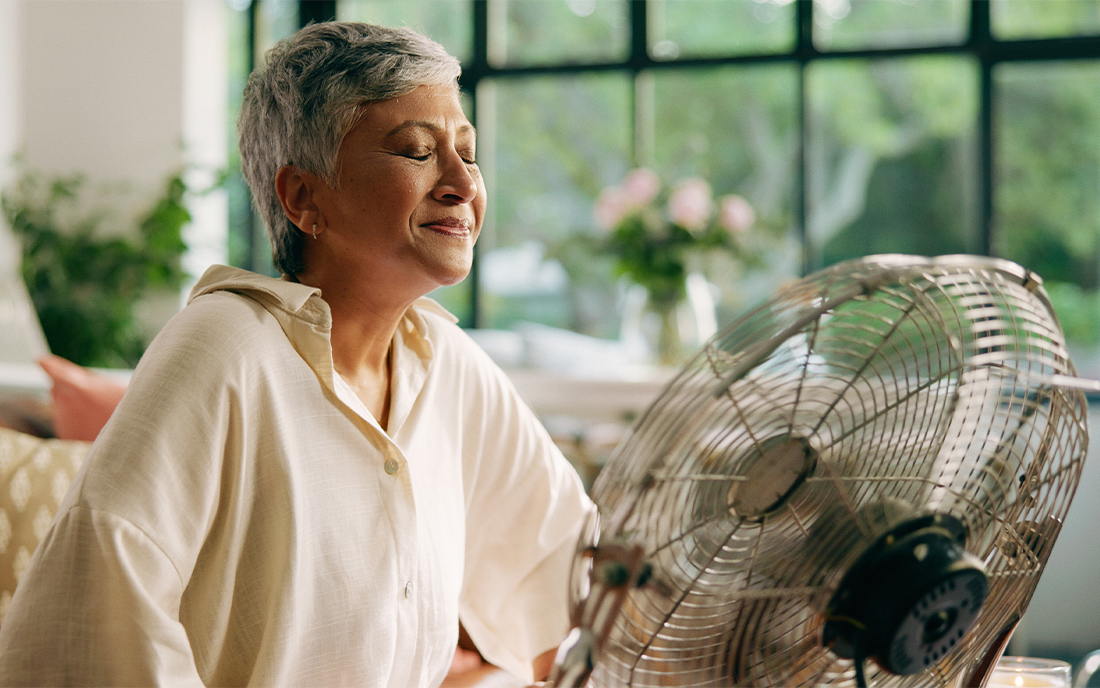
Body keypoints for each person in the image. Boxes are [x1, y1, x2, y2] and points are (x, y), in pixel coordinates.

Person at [0, 22, 594, 687]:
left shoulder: (446, 363)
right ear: (304, 198)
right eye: (417, 151)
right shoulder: (224, 347)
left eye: (468, 152)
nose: (462, 182)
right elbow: (94, 613)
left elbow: (567, 564)